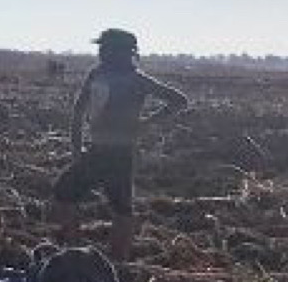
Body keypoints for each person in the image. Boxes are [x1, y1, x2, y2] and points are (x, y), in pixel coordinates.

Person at [53, 28, 190, 262]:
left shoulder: (134, 79)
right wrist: (76, 149)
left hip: (119, 153)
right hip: (104, 150)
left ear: (123, 52)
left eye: (106, 49)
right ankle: (81, 254)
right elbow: (78, 112)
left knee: (105, 204)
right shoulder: (98, 74)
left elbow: (179, 101)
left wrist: (146, 123)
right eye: (101, 49)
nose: (101, 53)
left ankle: (103, 258)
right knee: (92, 200)